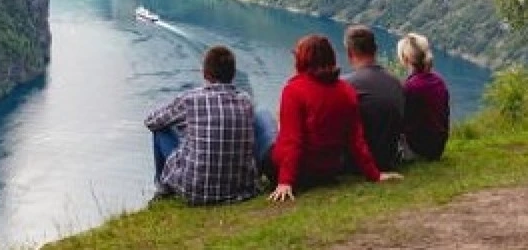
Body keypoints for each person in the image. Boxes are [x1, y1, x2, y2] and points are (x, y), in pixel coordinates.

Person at [268, 35, 402, 203]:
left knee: (266, 128)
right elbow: (356, 139)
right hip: (329, 170)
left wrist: (285, 181)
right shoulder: (346, 91)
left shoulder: (293, 91)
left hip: (300, 173)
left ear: (301, 60)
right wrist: (374, 174)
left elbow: (292, 140)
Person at [145, 45, 259, 204]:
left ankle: (163, 189)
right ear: (232, 75)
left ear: (205, 74)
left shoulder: (190, 99)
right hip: (239, 188)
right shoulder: (246, 101)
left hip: (196, 190)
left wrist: (181, 126)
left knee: (161, 130)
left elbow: (151, 122)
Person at [342, 25, 405, 171]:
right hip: (389, 157)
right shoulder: (396, 82)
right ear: (375, 50)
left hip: (357, 163)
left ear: (350, 53)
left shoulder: (346, 85)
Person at [398, 33, 451, 161]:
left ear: (405, 59)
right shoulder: (439, 81)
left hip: (418, 149)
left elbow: (402, 120)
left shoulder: (410, 87)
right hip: (438, 148)